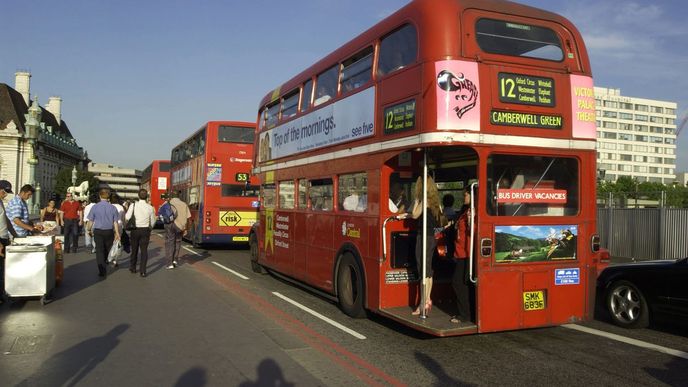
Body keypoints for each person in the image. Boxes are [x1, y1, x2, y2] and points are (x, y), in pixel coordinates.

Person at [407, 175, 444, 316]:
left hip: (423, 237)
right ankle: (427, 299)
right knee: (428, 270)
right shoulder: (436, 201)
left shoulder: (424, 200)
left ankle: (423, 303)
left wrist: (417, 200)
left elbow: (415, 215)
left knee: (422, 269)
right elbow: (441, 221)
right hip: (432, 238)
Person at [86, 187, 120, 278]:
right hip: (109, 231)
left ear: (100, 195)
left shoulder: (95, 207)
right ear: (108, 196)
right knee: (108, 248)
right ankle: (105, 261)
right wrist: (117, 233)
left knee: (99, 250)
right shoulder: (113, 208)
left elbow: (90, 221)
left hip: (98, 231)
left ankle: (102, 270)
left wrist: (88, 229)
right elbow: (115, 222)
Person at [451, 189, 474, 324]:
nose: (463, 196)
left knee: (459, 283)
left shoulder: (472, 212)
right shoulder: (465, 211)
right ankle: (466, 313)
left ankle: (465, 314)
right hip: (460, 251)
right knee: (463, 283)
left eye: (466, 194)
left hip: (467, 253)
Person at [124, 189, 156, 277]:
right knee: (144, 251)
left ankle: (133, 267)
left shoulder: (133, 205)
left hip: (135, 230)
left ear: (138, 196)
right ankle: (143, 271)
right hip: (145, 230)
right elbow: (153, 221)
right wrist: (150, 228)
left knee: (134, 249)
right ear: (147, 197)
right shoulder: (150, 207)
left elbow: (127, 217)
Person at [0, 180, 19, 299]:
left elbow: (6, 220)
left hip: (4, 238)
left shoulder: (1, 202)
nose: (5, 194)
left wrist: (14, 234)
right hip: (0, 240)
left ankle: (2, 293)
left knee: (3, 268)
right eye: (4, 191)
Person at [162, 191, 191, 269]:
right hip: (180, 227)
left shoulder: (167, 204)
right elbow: (188, 218)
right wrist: (186, 229)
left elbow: (162, 216)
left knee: (169, 244)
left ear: (172, 196)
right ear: (179, 196)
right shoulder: (184, 204)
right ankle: (175, 260)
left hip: (170, 225)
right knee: (177, 242)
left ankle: (169, 264)